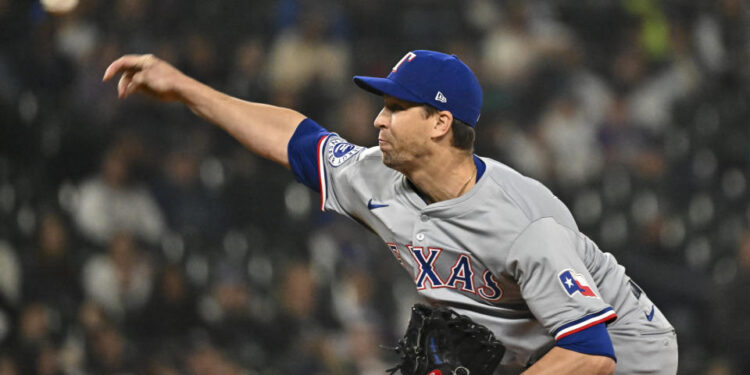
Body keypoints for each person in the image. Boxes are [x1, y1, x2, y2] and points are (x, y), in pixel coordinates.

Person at [102, 50, 678, 374]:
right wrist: (184, 88)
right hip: (540, 348)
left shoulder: (525, 222)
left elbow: (591, 354)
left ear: (440, 122)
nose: (378, 121)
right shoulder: (378, 174)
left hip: (626, 356)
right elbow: (295, 138)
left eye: (396, 107)